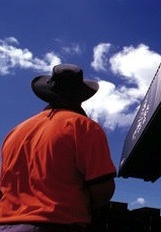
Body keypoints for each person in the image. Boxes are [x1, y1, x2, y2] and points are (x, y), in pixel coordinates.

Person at [0, 64, 116, 232]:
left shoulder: (15, 132)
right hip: (58, 223)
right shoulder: (85, 127)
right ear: (81, 97)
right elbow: (103, 190)